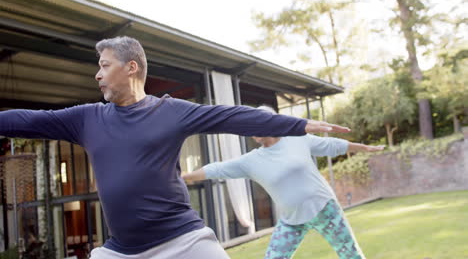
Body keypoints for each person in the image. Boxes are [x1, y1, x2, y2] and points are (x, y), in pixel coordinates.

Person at [0, 36, 350, 259]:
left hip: (184, 241)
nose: (97, 74)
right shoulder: (86, 118)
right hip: (121, 252)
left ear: (131, 67)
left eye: (104, 65)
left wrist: (298, 124)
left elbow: (231, 117)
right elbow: (30, 120)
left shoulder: (171, 111)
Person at [183, 106, 384, 259]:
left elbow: (331, 145)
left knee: (351, 256)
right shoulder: (251, 161)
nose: (253, 127)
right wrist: (183, 177)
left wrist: (364, 148)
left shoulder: (298, 139)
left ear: (271, 122)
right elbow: (216, 169)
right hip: (291, 221)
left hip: (325, 209)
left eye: (258, 122)